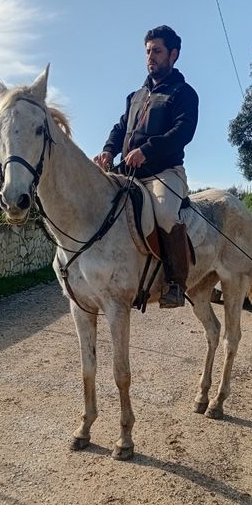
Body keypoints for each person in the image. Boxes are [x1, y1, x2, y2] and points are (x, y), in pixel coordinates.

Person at [94, 25, 199, 308]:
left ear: (173, 54)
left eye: (157, 51)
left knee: (165, 213)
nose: (151, 57)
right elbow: (120, 128)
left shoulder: (184, 93)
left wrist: (146, 151)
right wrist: (108, 150)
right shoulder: (136, 96)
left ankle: (175, 284)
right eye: (148, 51)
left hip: (164, 173)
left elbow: (183, 132)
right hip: (130, 172)